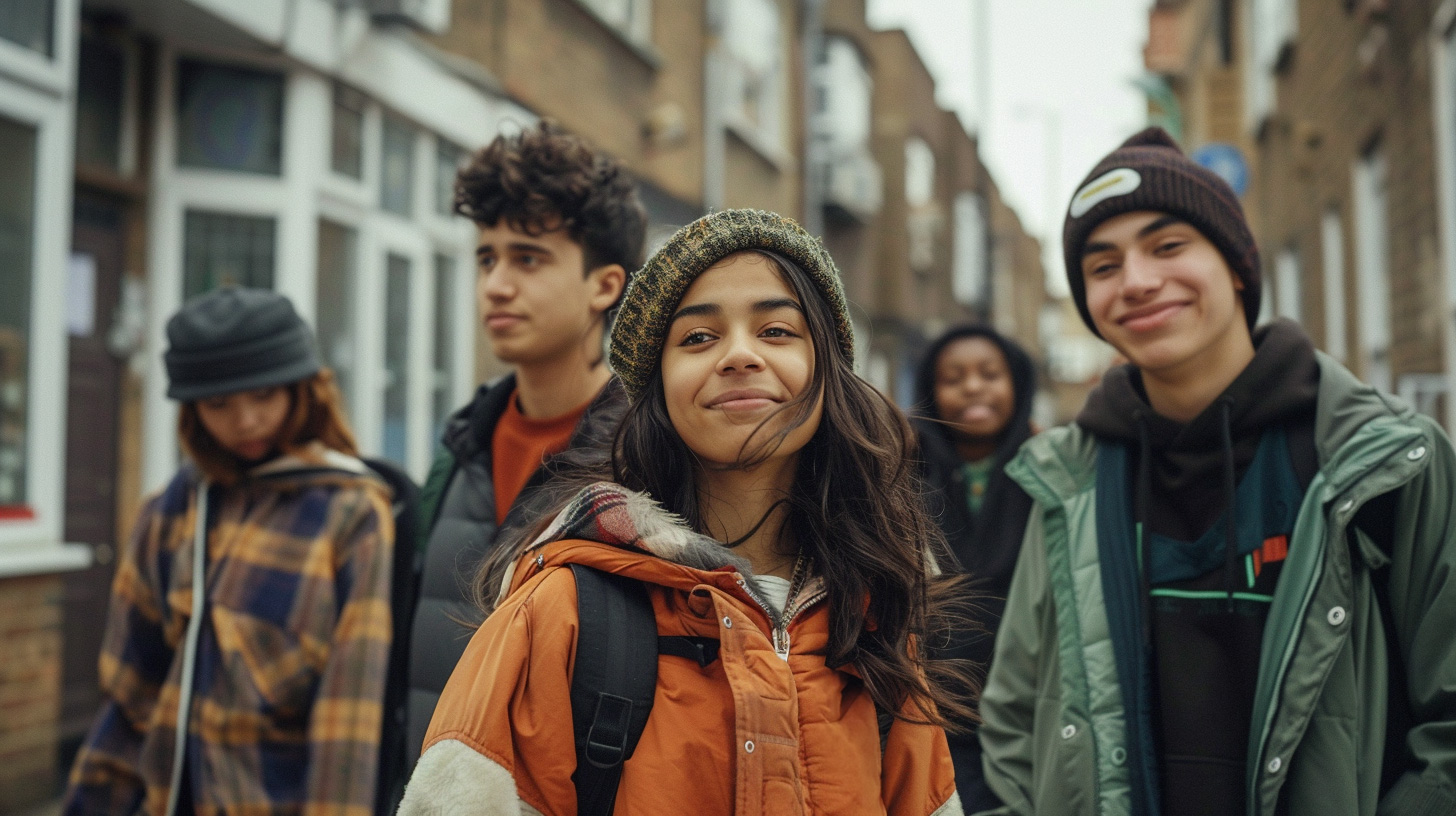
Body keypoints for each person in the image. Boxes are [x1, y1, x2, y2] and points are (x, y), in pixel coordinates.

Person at [396, 209, 972, 814]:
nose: (740, 355)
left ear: (827, 371)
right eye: (698, 338)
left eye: (777, 331)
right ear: (659, 393)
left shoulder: (873, 617)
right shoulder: (560, 612)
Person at [975, 127, 1456, 816]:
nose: (1137, 281)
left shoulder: (1385, 462)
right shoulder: (1067, 482)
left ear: (1235, 264)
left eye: (1169, 246)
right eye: (1103, 265)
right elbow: (1017, 720)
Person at [63, 287, 395, 816]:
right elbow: (129, 702)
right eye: (219, 404)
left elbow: (348, 727)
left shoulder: (350, 514)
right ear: (193, 411)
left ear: (302, 390)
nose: (245, 421)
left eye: (264, 397)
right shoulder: (171, 512)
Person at [390, 121, 644, 800]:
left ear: (604, 285)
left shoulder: (645, 464)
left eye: (528, 259)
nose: (496, 285)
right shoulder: (460, 449)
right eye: (486, 258)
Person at [911, 325, 1037, 810]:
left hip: (1026, 710)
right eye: (953, 377)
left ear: (1018, 385)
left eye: (990, 374)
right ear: (929, 390)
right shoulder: (897, 475)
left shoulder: (1050, 474)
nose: (973, 388)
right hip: (929, 712)